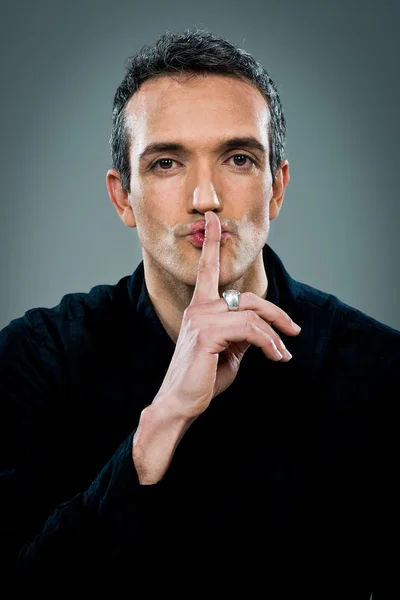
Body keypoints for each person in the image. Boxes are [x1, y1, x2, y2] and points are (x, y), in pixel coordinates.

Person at [0, 27, 398, 595]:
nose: (205, 198)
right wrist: (158, 428)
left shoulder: (382, 371)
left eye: (238, 159)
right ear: (122, 197)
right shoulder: (34, 360)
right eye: (166, 163)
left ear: (276, 189)